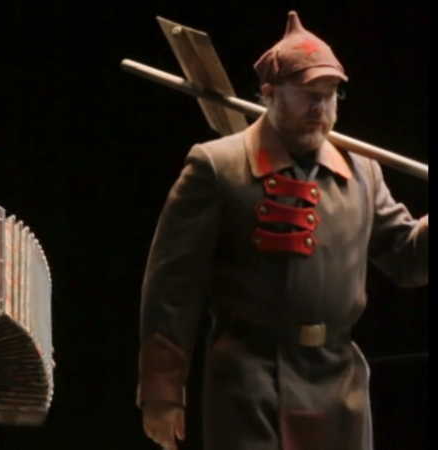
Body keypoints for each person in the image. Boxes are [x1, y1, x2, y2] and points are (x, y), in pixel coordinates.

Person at [137, 11, 428, 450]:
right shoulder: (219, 166)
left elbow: (406, 257)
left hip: (339, 385)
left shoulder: (362, 172)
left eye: (329, 95)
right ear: (270, 94)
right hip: (249, 383)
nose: (320, 108)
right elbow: (171, 287)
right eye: (308, 95)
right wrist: (162, 391)